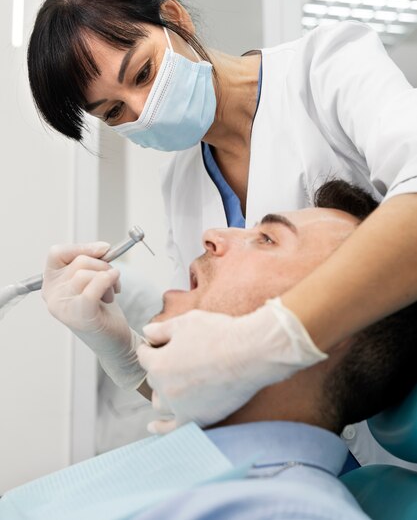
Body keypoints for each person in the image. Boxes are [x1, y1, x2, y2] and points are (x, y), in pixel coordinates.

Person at [28, 0, 417, 457]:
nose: (141, 109)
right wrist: (124, 354)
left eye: (143, 73)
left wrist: (267, 340)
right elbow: (208, 382)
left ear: (174, 18)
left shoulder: (325, 69)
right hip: (300, 457)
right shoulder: (181, 179)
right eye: (114, 113)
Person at [39, 180, 417, 520]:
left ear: (330, 325)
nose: (211, 234)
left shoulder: (285, 510)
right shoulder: (211, 471)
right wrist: (128, 359)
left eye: (268, 239)